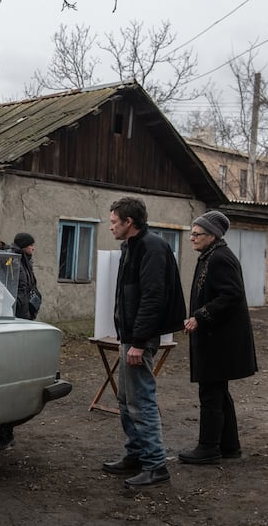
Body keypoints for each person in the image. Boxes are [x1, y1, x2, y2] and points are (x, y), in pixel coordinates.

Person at [102, 197, 186, 488]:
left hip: (140, 338)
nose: (111, 226)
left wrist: (138, 341)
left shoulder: (152, 247)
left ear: (129, 222)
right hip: (130, 336)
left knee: (141, 401)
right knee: (126, 400)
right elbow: (130, 296)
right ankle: (136, 455)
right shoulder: (132, 247)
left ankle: (155, 465)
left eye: (114, 222)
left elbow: (153, 298)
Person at [180, 210, 257, 464]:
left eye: (197, 234)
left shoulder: (219, 258)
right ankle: (229, 446)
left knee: (211, 393)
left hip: (219, 340)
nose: (192, 238)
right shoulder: (211, 255)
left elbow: (231, 295)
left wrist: (200, 316)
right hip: (216, 338)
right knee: (219, 392)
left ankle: (209, 448)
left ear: (212, 235)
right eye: (192, 233)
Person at [10, 232, 40, 320]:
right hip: (19, 312)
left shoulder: (26, 261)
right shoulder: (15, 262)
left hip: (26, 309)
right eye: (31, 245)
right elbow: (20, 288)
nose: (33, 248)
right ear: (24, 246)